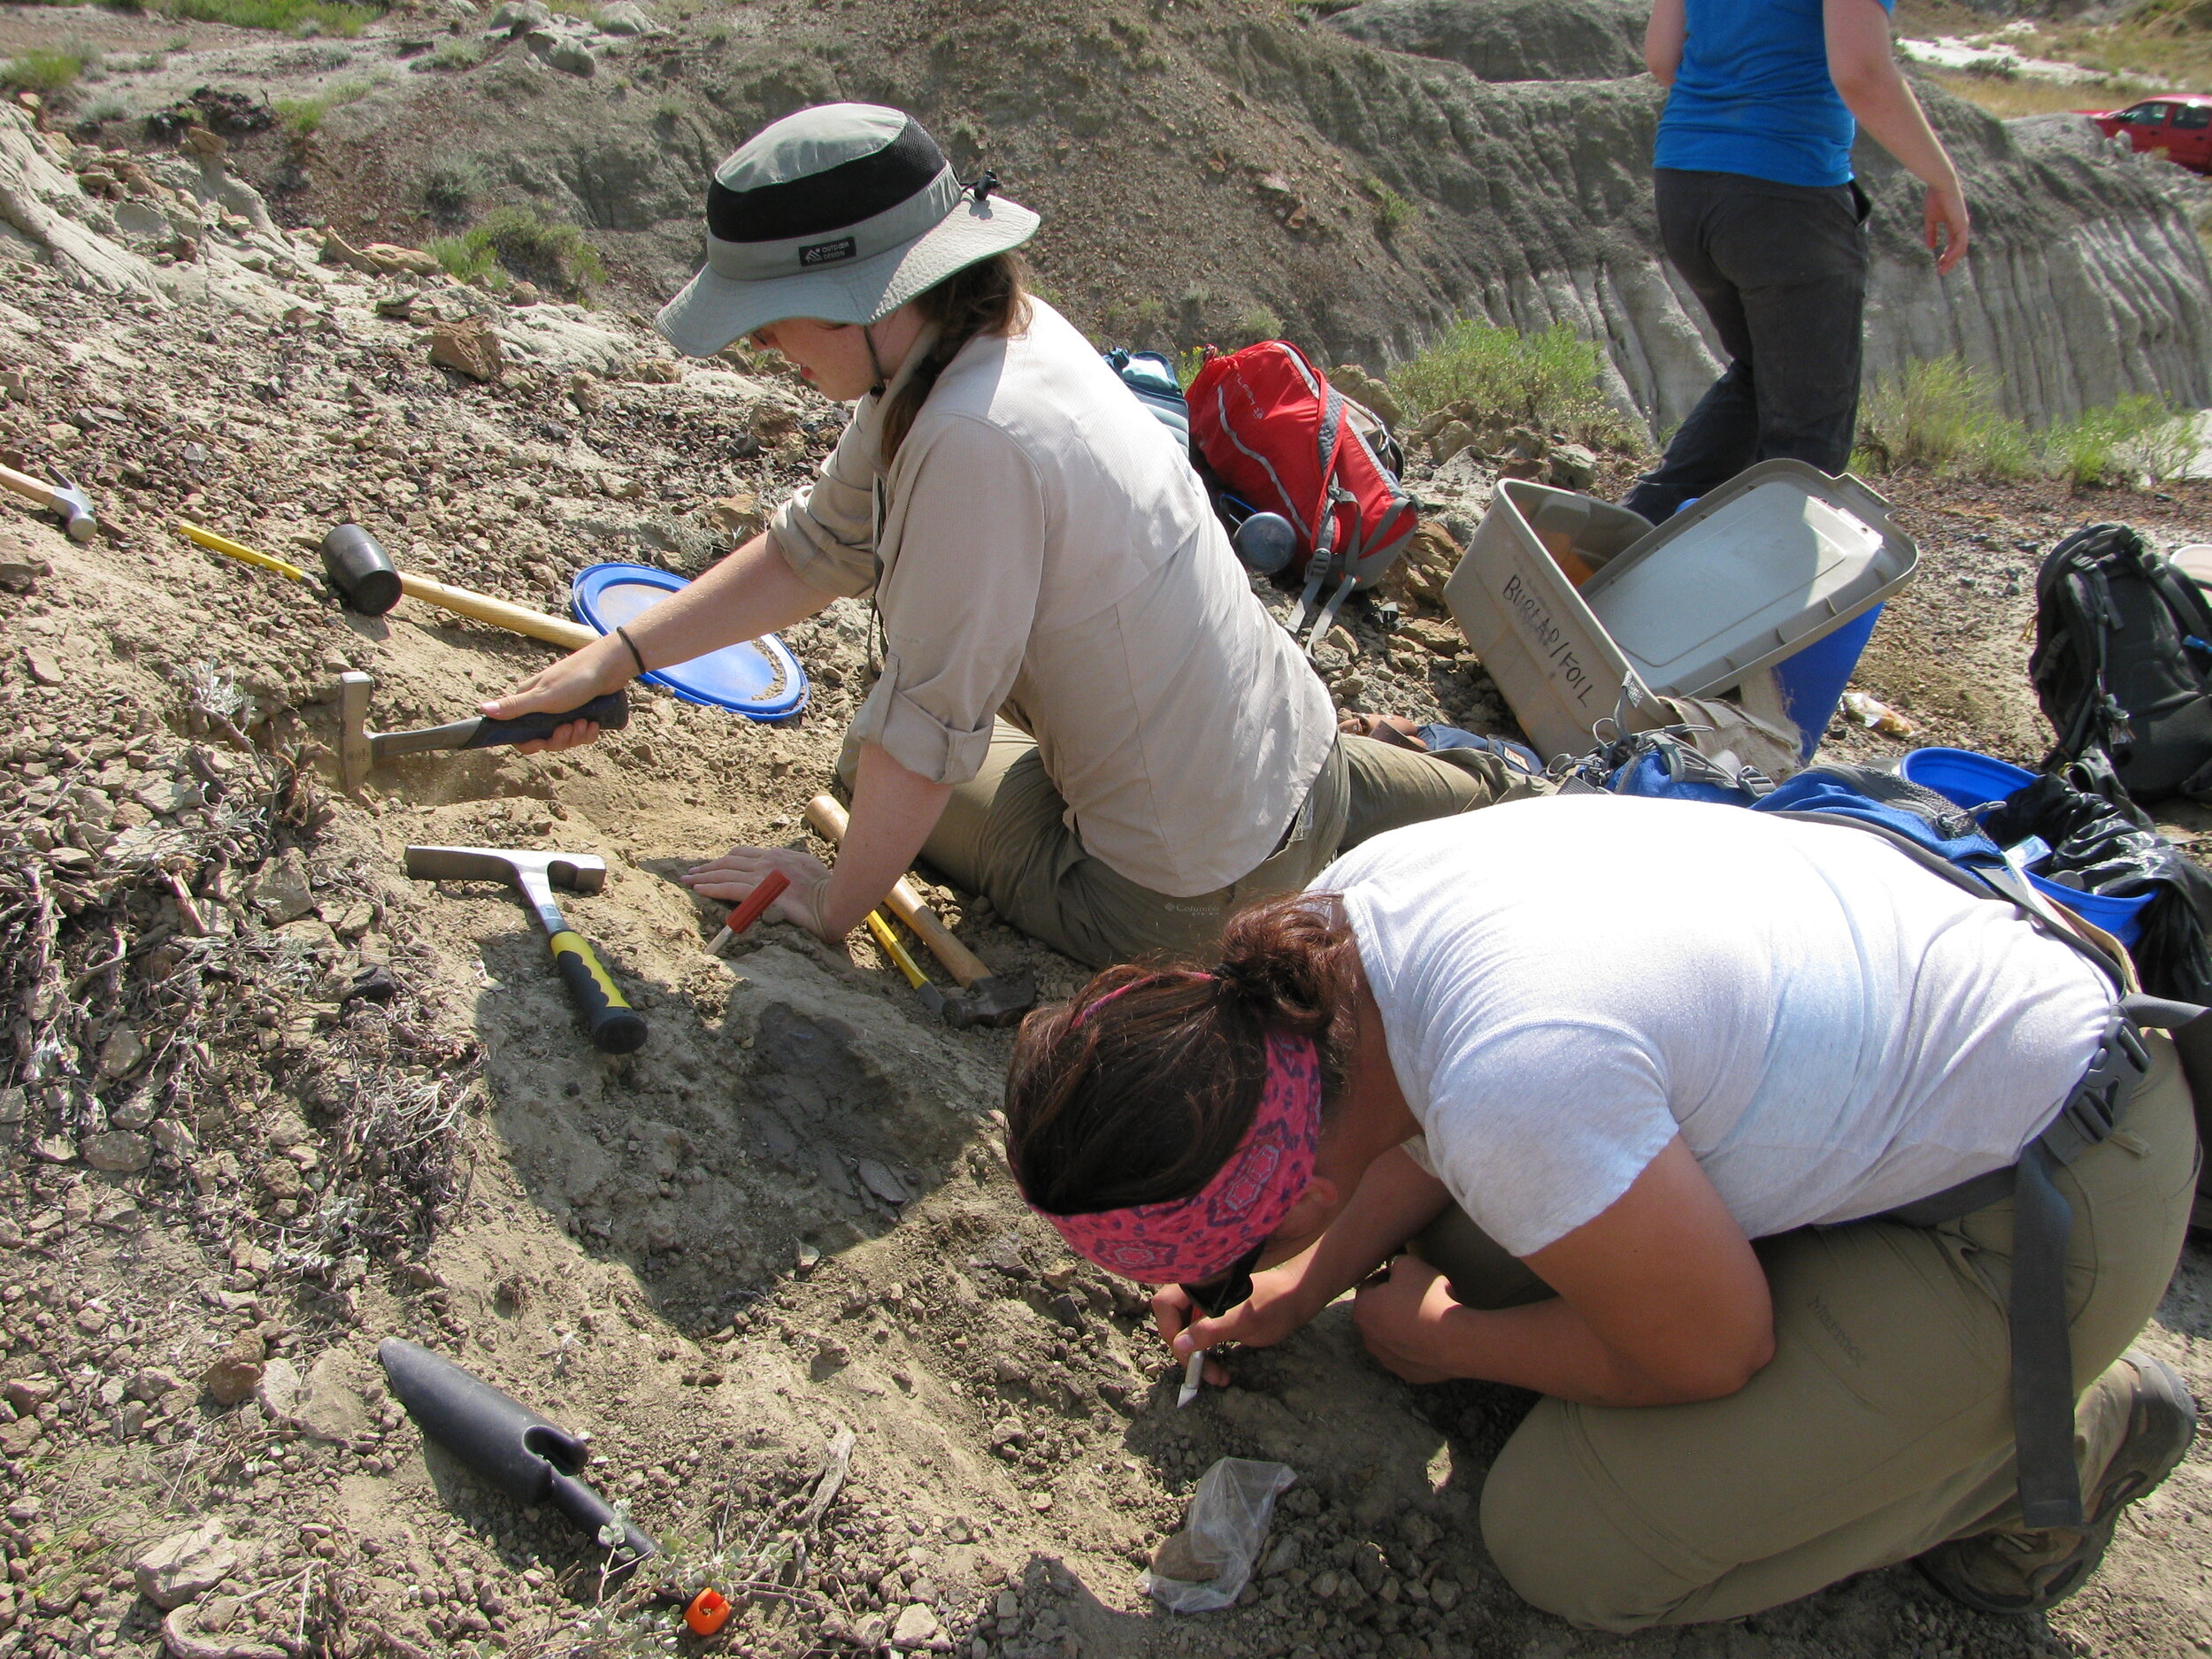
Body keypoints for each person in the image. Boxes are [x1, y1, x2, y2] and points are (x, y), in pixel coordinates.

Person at [1002, 797, 2199, 1628]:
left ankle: (2064, 1447)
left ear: (1299, 1193)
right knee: (1488, 1225)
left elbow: (1714, 1348)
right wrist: (1309, 1279)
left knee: (1569, 1543)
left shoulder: (1513, 1083)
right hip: (1898, 1069)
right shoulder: (1336, 928)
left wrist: (1448, 1338)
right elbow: (1422, 1114)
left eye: (1234, 1249)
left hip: (2041, 1197)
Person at [482, 103, 1534, 969]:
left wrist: (835, 900)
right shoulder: (997, 334)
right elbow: (818, 548)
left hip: (1174, 894)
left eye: (773, 315)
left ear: (862, 297)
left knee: (867, 756)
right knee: (1487, 812)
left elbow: (923, 734)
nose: (761, 346)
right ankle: (1502, 797)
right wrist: (613, 658)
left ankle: (1280, 913)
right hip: (1306, 763)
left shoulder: (967, 441)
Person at [1620, 0, 1971, 523]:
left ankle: (1615, 551)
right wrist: (1943, 178)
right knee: (1807, 440)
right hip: (1786, 195)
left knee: (1761, 379)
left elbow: (1662, 58)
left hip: (1685, 183)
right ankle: (1754, 593)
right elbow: (1861, 73)